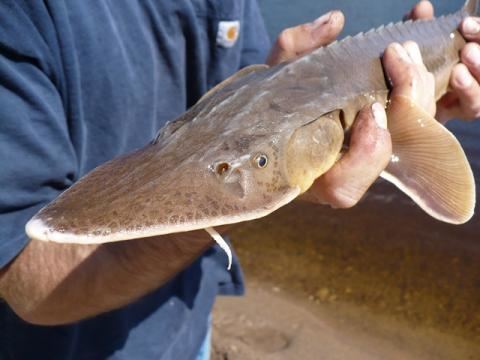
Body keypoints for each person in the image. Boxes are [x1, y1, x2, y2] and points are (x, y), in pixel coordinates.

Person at [0, 0, 477, 359]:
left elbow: (259, 90)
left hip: (192, 323)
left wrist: (414, 127)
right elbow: (25, 281)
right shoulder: (22, 15)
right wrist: (197, 208)